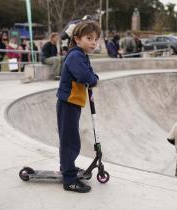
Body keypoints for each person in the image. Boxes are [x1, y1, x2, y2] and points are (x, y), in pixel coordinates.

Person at [56, 21, 100, 193]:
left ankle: (68, 168)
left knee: (70, 139)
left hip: (73, 102)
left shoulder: (81, 55)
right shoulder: (75, 56)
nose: (93, 42)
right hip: (68, 103)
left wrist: (92, 78)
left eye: (95, 39)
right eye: (89, 38)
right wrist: (94, 80)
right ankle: (69, 179)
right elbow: (85, 75)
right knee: (70, 141)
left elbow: (89, 73)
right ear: (77, 38)